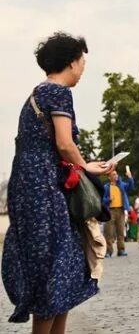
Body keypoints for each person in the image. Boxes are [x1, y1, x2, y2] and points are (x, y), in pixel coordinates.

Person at [2, 32, 110, 330]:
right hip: (46, 189)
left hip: (29, 187)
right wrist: (86, 165)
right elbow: (64, 143)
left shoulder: (36, 94)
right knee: (54, 270)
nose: (83, 68)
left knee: (57, 272)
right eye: (82, 62)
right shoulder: (59, 93)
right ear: (71, 62)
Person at [103, 167, 136, 257]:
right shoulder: (106, 187)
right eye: (113, 174)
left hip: (121, 210)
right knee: (108, 232)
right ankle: (108, 251)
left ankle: (121, 250)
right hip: (110, 210)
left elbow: (131, 187)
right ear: (109, 177)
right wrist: (108, 200)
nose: (116, 175)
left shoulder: (121, 185)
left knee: (120, 231)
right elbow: (102, 200)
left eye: (116, 174)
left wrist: (130, 177)